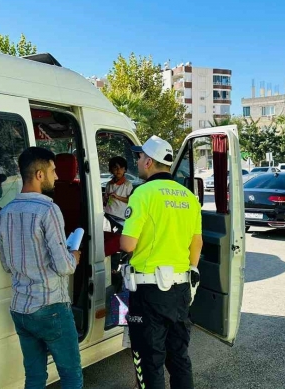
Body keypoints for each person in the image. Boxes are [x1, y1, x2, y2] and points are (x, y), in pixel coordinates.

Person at [0, 147, 83, 389]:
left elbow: (6, 264)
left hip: (21, 309)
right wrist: (73, 255)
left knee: (34, 377)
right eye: (53, 171)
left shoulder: (4, 214)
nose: (56, 177)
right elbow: (64, 267)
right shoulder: (48, 209)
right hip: (51, 306)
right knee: (71, 375)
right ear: (40, 174)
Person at [120, 135, 203, 389]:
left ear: (149, 162)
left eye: (140, 156)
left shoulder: (142, 193)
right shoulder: (188, 196)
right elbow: (196, 244)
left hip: (148, 291)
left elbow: (127, 245)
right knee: (179, 358)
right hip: (180, 289)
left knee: (149, 361)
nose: (138, 160)